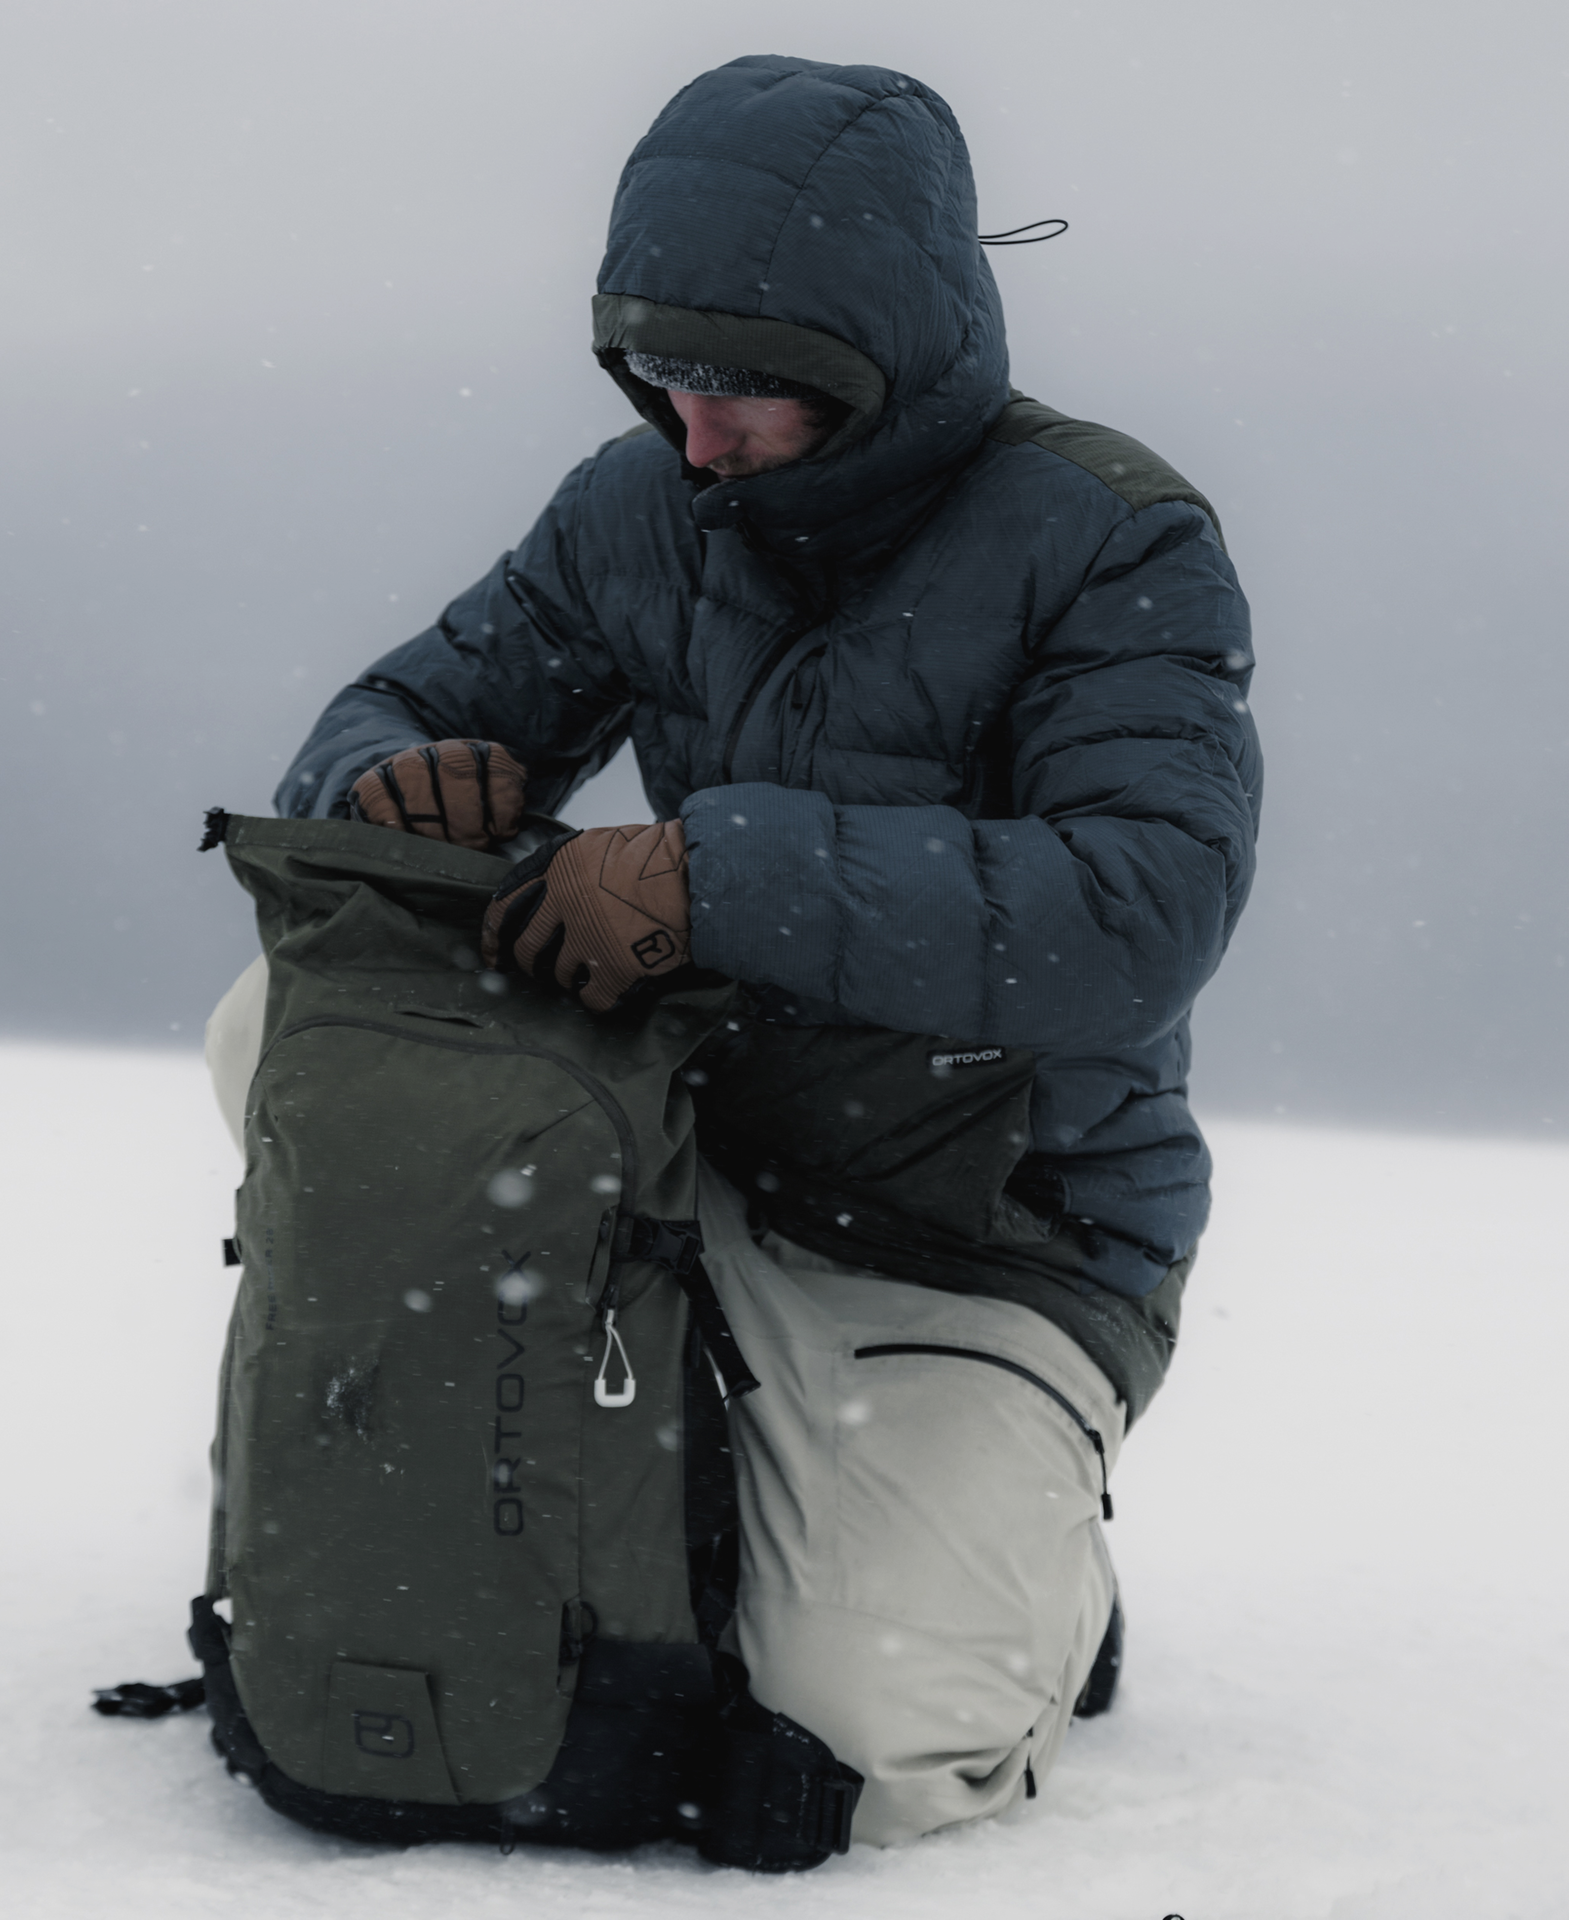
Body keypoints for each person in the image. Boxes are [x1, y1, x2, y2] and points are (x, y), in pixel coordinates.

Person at [210, 54, 1260, 1846]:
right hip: (695, 1169)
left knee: (860, 1745)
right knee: (276, 1021)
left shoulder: (1112, 540)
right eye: (662, 376)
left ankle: (1029, 1565)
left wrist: (717, 877)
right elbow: (382, 710)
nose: (695, 434)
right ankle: (619, 1441)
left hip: (992, 1237)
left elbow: (1136, 915)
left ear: (883, 358)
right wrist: (392, 778)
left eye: (752, 391)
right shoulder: (643, 503)